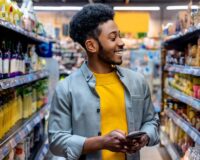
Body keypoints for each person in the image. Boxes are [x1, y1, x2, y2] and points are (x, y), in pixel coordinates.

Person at [48, 3, 159, 160]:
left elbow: (151, 121)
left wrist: (145, 136)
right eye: (113, 38)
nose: (121, 42)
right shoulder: (67, 89)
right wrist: (101, 142)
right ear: (92, 45)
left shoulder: (137, 82)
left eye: (119, 36)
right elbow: (56, 141)